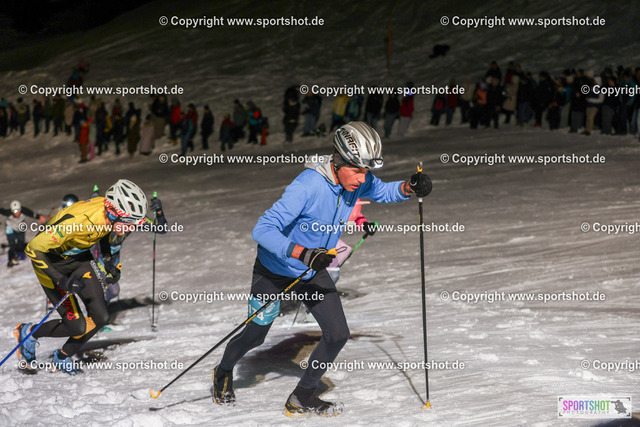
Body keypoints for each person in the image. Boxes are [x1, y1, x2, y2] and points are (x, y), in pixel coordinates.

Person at [212, 121, 432, 415]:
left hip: (311, 271)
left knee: (338, 334)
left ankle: (302, 396)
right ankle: (223, 370)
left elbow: (383, 191)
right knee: (256, 335)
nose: (363, 178)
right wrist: (302, 253)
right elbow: (262, 230)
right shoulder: (307, 185)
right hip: (274, 270)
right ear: (338, 161)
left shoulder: (357, 180)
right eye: (357, 170)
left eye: (366, 171)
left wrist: (408, 187)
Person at [14, 180, 149, 374]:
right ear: (114, 212)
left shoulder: (107, 211)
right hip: (51, 264)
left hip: (79, 259)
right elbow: (33, 249)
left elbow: (103, 230)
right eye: (129, 223)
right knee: (76, 327)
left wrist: (108, 260)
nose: (130, 229)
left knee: (101, 317)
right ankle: (27, 332)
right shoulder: (79, 220)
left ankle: (62, 357)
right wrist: (61, 279)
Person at [1, 201, 45, 268]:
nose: (17, 213)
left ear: (21, 209)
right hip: (10, 227)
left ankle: (19, 255)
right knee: (12, 244)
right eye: (14, 211)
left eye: (18, 210)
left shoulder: (24, 211)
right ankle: (11, 260)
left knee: (21, 242)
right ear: (11, 211)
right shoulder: (7, 213)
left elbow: (32, 214)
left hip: (20, 226)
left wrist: (39, 217)